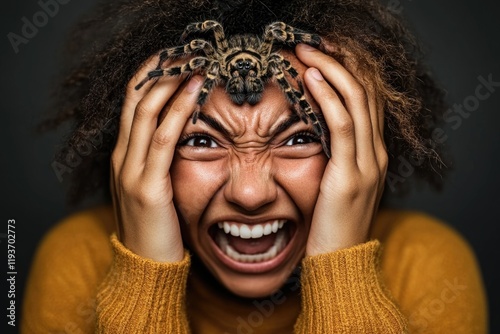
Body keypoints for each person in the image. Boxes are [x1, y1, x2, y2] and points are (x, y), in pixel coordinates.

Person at [22, 0, 487, 333]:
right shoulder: (75, 260)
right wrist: (146, 277)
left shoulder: (430, 265)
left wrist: (342, 274)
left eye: (301, 137)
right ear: (140, 151)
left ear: (359, 148)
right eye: (201, 140)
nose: (250, 195)